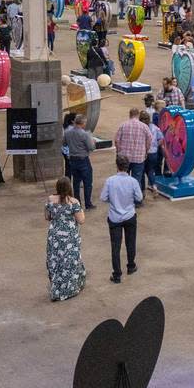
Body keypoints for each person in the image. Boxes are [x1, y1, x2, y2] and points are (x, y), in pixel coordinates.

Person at [102, 155, 143, 283]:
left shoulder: (110, 181)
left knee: (115, 246)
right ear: (128, 166)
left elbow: (103, 197)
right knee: (130, 242)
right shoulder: (133, 181)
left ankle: (117, 274)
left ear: (117, 165)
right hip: (129, 215)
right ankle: (131, 266)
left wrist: (112, 200)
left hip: (115, 217)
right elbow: (139, 198)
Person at [45, 177, 86, 301]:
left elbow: (47, 217)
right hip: (69, 237)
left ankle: (56, 288)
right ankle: (70, 288)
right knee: (70, 261)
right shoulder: (73, 202)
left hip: (55, 236)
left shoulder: (51, 200)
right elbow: (81, 220)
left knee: (55, 260)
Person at [114, 108, 152, 195]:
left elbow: (116, 140)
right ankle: (136, 200)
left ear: (129, 115)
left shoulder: (123, 125)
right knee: (136, 180)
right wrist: (146, 151)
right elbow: (150, 139)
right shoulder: (144, 126)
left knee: (122, 179)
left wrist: (119, 152)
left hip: (124, 158)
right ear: (138, 115)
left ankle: (123, 197)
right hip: (138, 158)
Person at [64, 113, 98, 209]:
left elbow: (64, 143)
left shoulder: (67, 132)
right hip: (83, 160)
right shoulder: (84, 134)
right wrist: (93, 142)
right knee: (87, 182)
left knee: (76, 182)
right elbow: (91, 148)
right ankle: (88, 203)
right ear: (82, 123)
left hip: (73, 160)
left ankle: (77, 203)